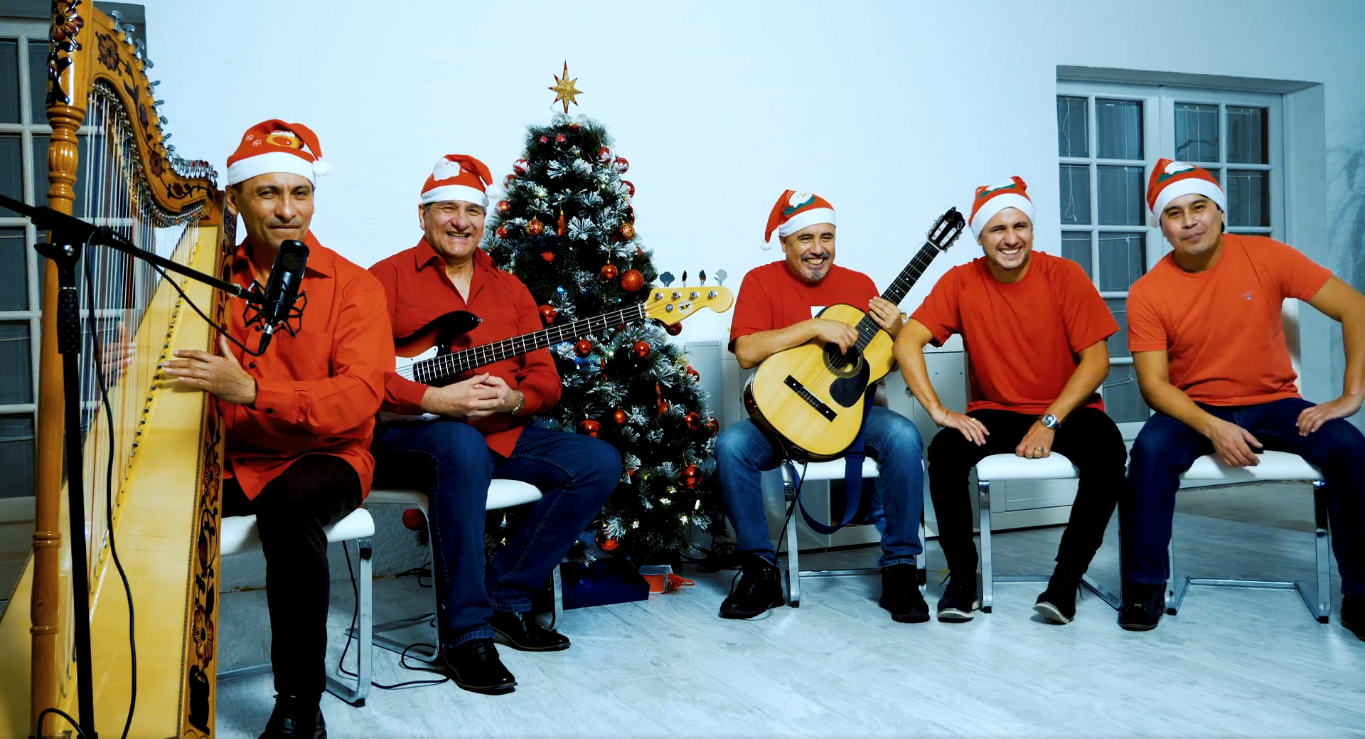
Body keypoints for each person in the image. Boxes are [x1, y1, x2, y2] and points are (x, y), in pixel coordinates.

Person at [163, 120, 392, 738]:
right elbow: (180, 359)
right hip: (234, 455)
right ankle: (156, 672)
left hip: (327, 454)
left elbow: (360, 398)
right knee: (159, 501)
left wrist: (254, 390)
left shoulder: (355, 288)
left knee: (289, 510)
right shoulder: (204, 277)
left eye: (301, 193)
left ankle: (299, 704)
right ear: (234, 200)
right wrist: (134, 362)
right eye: (268, 193)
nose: (288, 211)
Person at [369, 155, 621, 694]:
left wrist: (513, 400)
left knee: (596, 461)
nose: (461, 221)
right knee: (460, 445)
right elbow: (359, 375)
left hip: (498, 432)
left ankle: (507, 598)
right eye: (447, 209)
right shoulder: (383, 279)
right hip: (407, 433)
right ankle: (465, 635)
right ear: (422, 216)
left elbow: (547, 381)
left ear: (485, 220)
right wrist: (435, 397)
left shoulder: (510, 288)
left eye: (472, 211)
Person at [1121, 159, 1365, 639]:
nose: (1189, 220)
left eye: (1199, 207)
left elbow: (1355, 307)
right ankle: (1143, 586)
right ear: (1162, 228)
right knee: (1148, 453)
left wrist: (1351, 395)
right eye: (1174, 213)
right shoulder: (1148, 292)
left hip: (1274, 402)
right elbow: (1154, 386)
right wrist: (1212, 427)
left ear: (1220, 212)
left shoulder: (1268, 256)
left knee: (1350, 447)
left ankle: (1361, 592)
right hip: (1192, 408)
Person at [895, 177, 1126, 624]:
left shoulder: (1064, 275)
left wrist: (1050, 421)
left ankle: (1065, 579)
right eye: (998, 229)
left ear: (1032, 230)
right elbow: (907, 341)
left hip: (1068, 409)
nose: (1011, 238)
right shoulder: (961, 281)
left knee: (1109, 452)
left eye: (1020, 226)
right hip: (995, 412)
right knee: (944, 453)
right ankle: (963, 576)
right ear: (980, 238)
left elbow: (1096, 363)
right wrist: (939, 412)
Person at [717, 190, 928, 623]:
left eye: (827, 237)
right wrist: (814, 327)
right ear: (785, 242)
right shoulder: (761, 280)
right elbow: (746, 352)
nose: (818, 249)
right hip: (780, 416)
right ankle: (760, 569)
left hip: (849, 416)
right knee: (731, 446)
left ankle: (901, 569)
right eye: (806, 238)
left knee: (905, 437)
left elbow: (887, 357)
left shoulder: (861, 286)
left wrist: (901, 328)